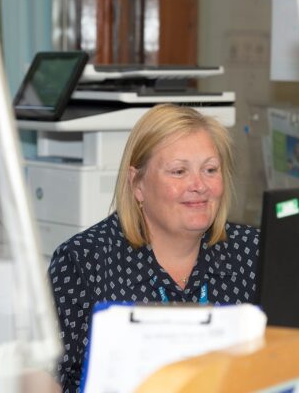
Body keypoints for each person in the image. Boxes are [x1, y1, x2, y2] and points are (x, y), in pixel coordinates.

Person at [48, 103, 260, 392]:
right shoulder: (83, 264)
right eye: (179, 171)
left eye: (210, 169)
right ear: (137, 184)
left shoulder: (252, 252)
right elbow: (47, 380)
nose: (199, 185)